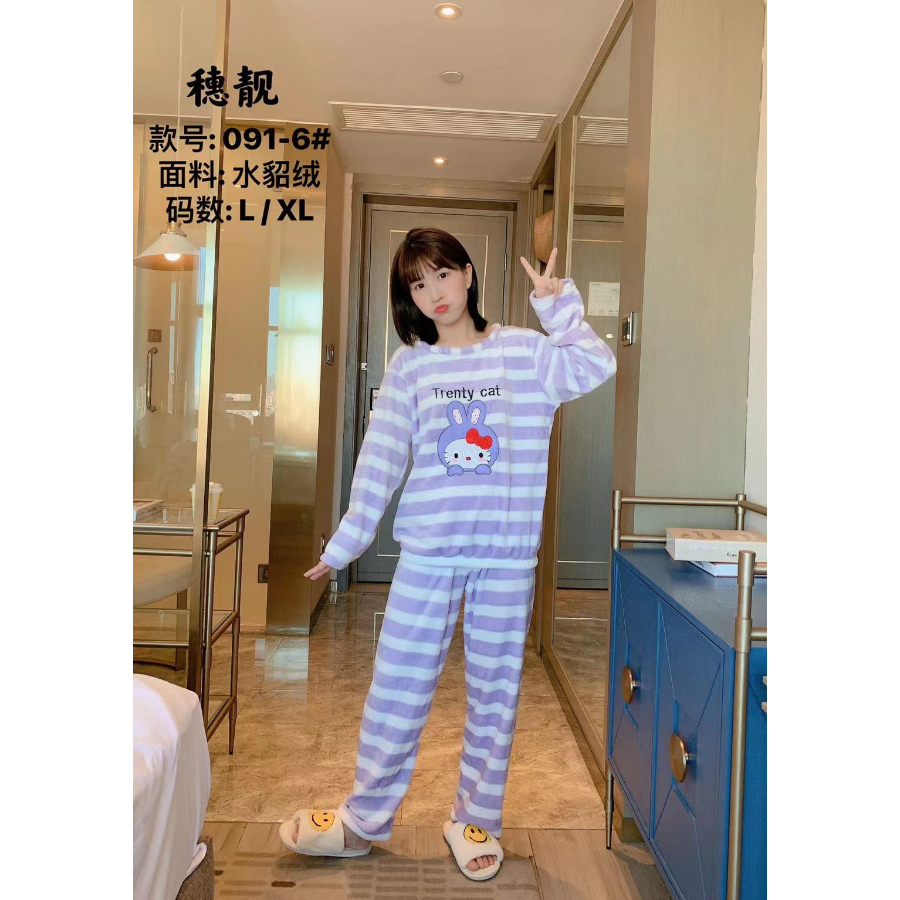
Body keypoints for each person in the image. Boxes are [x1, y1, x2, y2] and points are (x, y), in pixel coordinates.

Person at [280, 227, 617, 881]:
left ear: (467, 273)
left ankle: (474, 821)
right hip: (428, 553)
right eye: (417, 283)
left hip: (506, 557)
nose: (433, 292)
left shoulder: (525, 352)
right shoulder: (411, 365)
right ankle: (363, 820)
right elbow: (381, 456)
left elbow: (594, 365)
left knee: (495, 696)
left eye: (441, 274)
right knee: (395, 689)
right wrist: (349, 539)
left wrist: (559, 308)